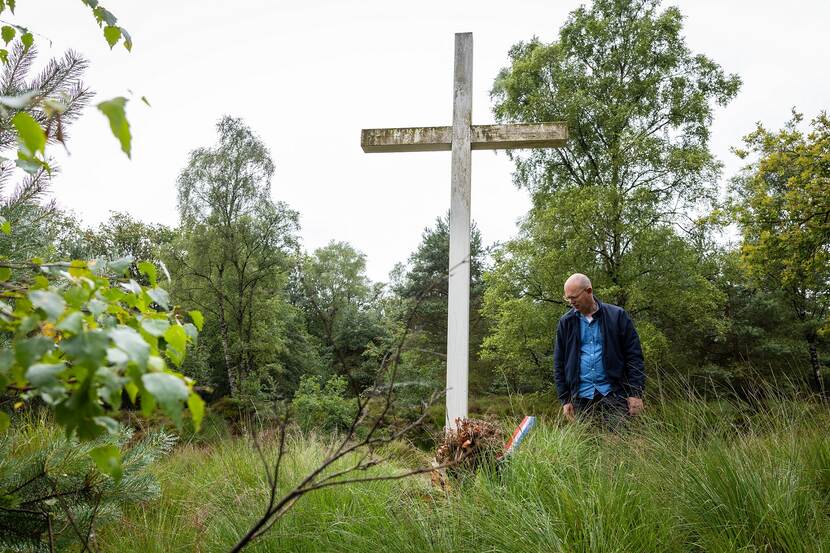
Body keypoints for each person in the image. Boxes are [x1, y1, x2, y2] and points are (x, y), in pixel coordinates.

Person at [553, 273, 645, 428]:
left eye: (574, 297)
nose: (571, 302)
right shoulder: (566, 323)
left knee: (619, 445)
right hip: (580, 399)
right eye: (567, 298)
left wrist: (635, 393)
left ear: (589, 291)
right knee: (587, 449)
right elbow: (559, 362)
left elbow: (634, 356)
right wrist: (565, 399)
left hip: (614, 394)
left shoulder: (617, 316)